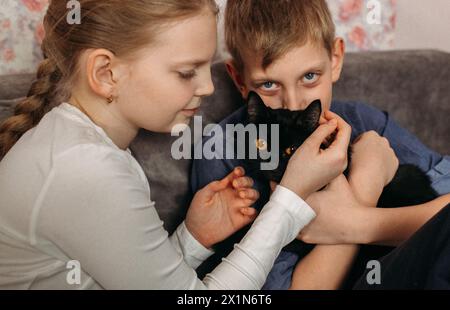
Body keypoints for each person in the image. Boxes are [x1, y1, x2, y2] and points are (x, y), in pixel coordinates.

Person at [0, 0, 353, 290]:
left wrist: (193, 238)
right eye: (187, 72)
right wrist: (290, 194)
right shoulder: (82, 168)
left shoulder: (90, 149)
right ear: (106, 74)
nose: (209, 87)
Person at [191, 0, 450, 289]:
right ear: (239, 79)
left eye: (310, 77)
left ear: (335, 59)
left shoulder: (362, 121)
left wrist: (357, 221)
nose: (293, 103)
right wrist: (367, 184)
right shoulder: (224, 153)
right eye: (268, 85)